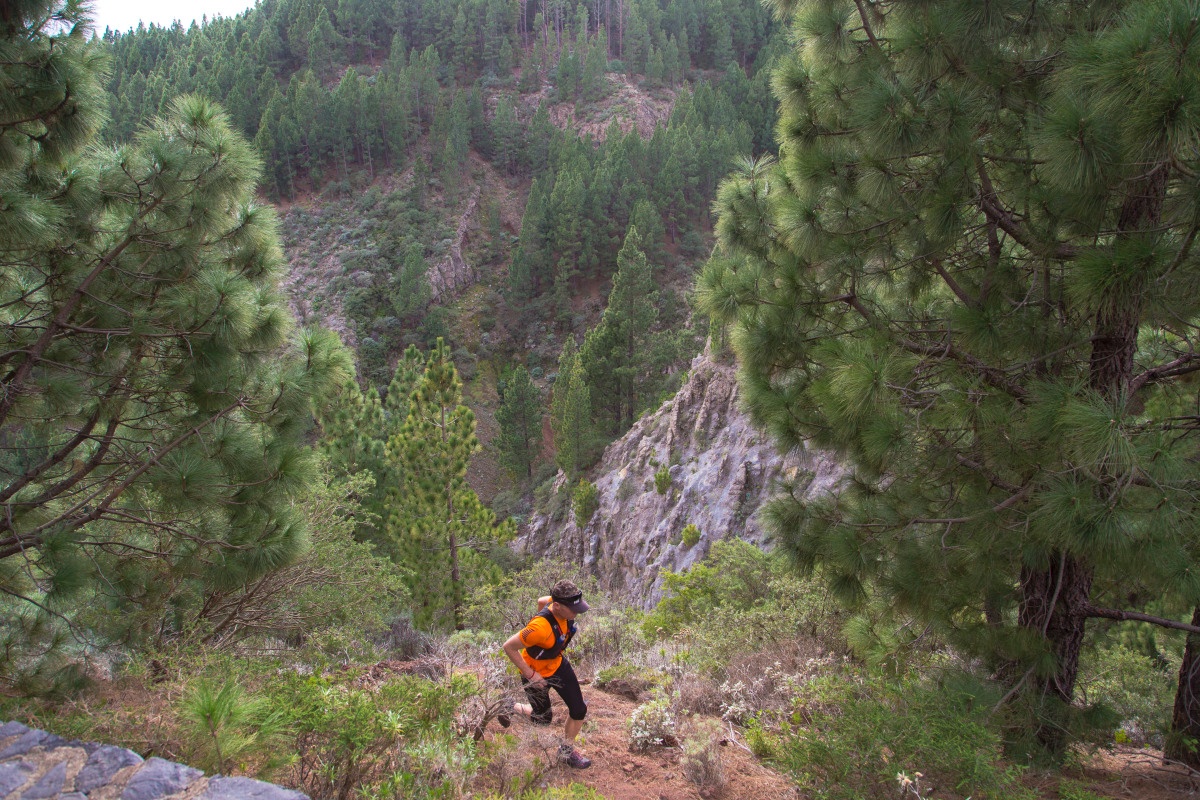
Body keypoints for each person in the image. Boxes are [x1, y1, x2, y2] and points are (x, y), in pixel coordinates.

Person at [501, 579, 592, 769]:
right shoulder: (538, 629)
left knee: (579, 709)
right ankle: (509, 706)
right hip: (534, 673)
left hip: (558, 665)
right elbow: (508, 647)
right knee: (542, 719)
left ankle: (566, 752)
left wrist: (556, 600)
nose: (576, 613)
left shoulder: (559, 607)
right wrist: (530, 675)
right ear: (557, 606)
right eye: (572, 608)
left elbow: (542, 600)